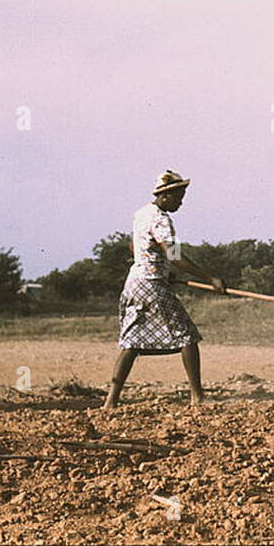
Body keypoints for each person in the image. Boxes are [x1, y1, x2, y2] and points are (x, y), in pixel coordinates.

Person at [105, 170, 225, 409]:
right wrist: (210, 278)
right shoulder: (161, 218)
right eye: (179, 196)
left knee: (131, 342)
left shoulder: (141, 214)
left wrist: (160, 268)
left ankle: (110, 402)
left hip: (135, 282)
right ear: (166, 196)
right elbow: (173, 253)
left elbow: (135, 246)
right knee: (187, 335)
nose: (181, 202)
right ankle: (197, 397)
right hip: (151, 285)